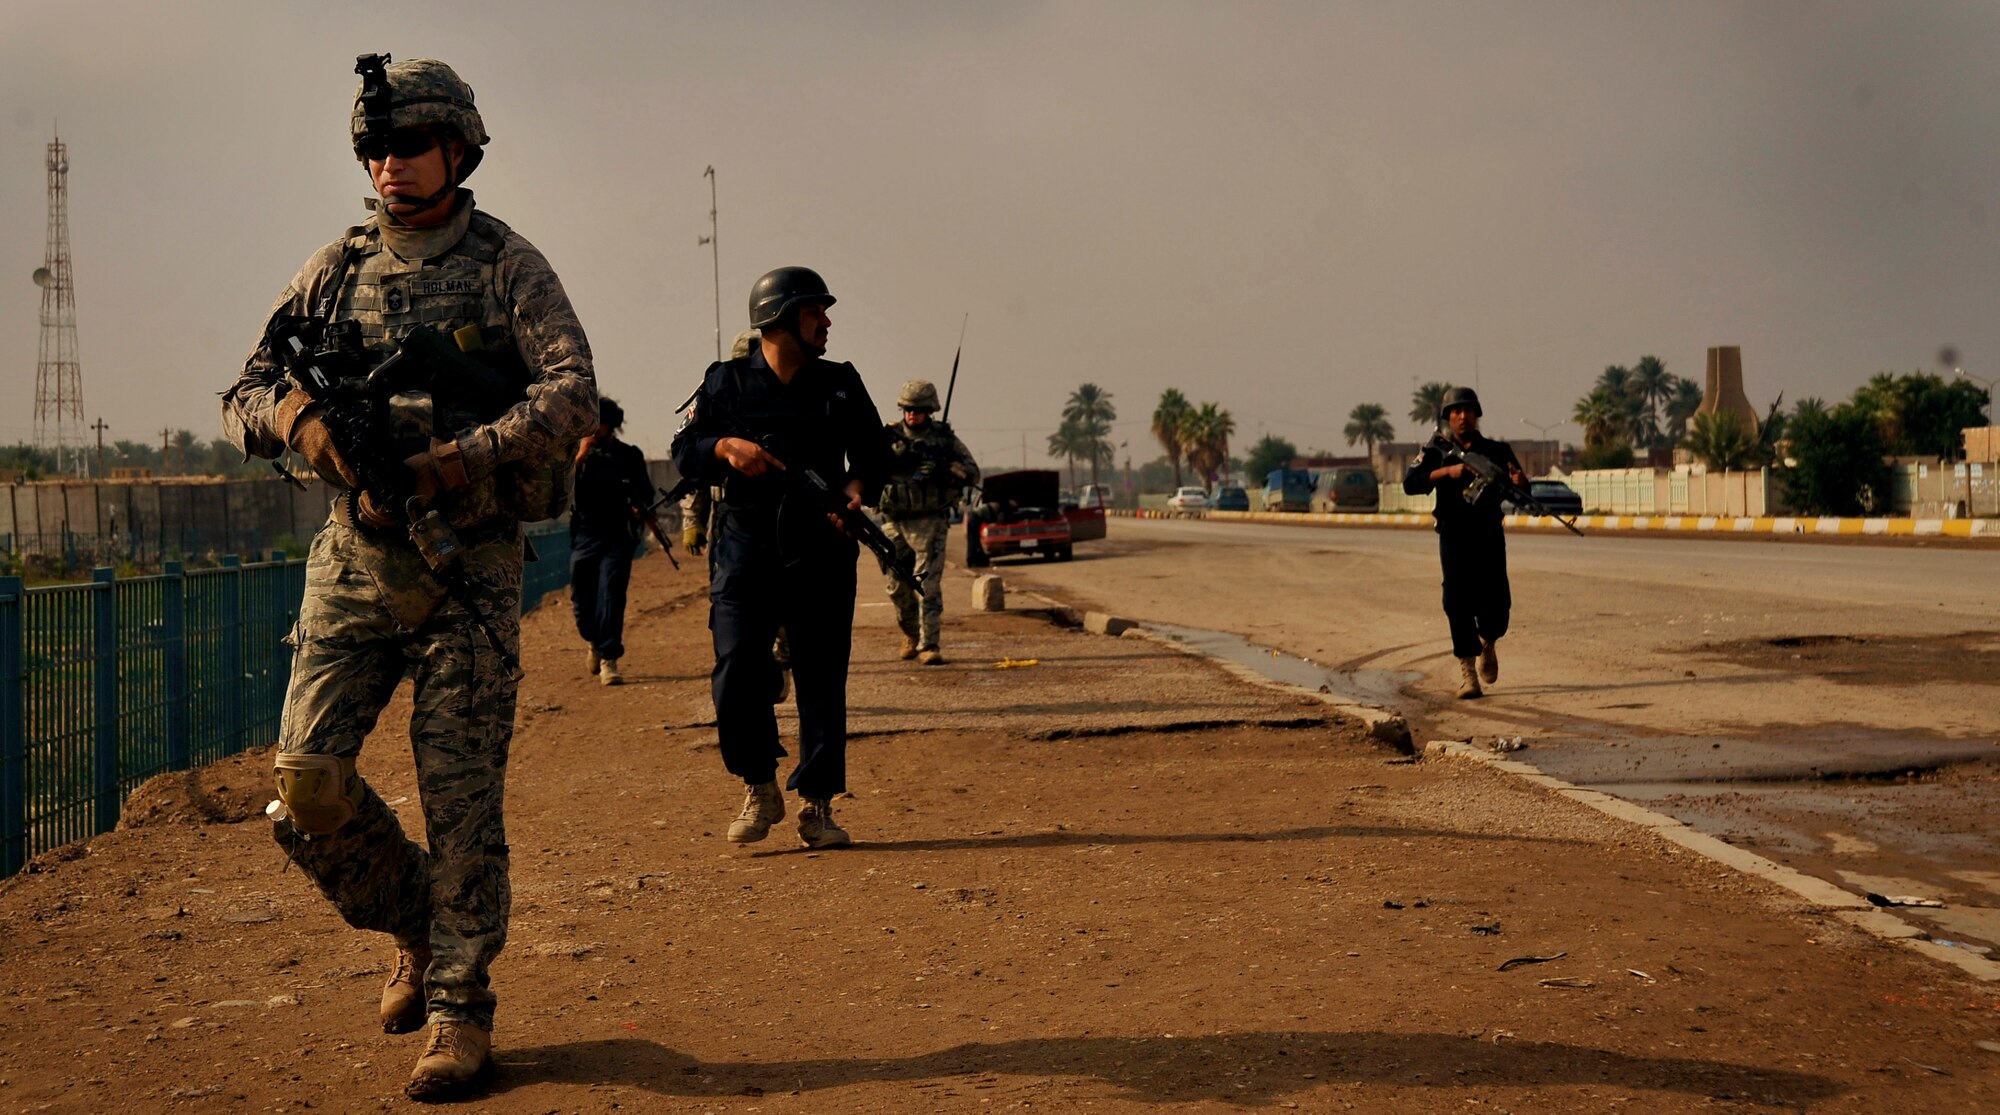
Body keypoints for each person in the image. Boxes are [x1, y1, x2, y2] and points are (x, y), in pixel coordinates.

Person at [220, 54, 595, 1101]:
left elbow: (574, 394)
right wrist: (304, 427)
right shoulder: (333, 268)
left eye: (410, 145)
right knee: (303, 787)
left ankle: (459, 1008)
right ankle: (415, 923)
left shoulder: (505, 265)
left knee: (461, 801)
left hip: (466, 564)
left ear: (458, 150)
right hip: (354, 561)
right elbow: (247, 385)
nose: (390, 165)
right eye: (376, 149)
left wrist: (460, 459)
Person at [669, 266, 893, 849]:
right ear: (780, 318)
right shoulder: (725, 384)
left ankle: (817, 806)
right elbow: (683, 450)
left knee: (822, 676)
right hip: (744, 546)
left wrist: (855, 491)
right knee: (737, 669)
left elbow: (875, 454)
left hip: (822, 546)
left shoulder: (840, 383)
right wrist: (724, 446)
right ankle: (759, 783)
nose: (826, 322)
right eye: (814, 311)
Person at [1402, 386, 1524, 700]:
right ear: (1447, 417)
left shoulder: (1498, 451)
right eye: (1456, 411)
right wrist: (1446, 472)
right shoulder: (1436, 451)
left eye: (1468, 410)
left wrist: (1521, 483)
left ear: (1476, 414)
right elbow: (1411, 483)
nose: (1462, 416)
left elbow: (1521, 493)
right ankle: (1468, 672)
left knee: (1496, 603)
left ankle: (1488, 642)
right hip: (1454, 534)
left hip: (1488, 535)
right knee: (1456, 602)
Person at [877, 379, 979, 664]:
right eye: (908, 409)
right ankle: (911, 633)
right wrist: (892, 459)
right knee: (896, 587)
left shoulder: (944, 441)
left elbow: (972, 473)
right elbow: (868, 468)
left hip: (930, 522)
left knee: (928, 586)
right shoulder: (888, 437)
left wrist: (945, 468)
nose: (912, 415)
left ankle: (929, 644)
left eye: (919, 410)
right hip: (893, 521)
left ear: (930, 410)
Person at [570, 397, 655, 686]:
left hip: (618, 536)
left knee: (612, 594)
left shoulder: (629, 456)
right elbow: (557, 492)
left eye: (600, 423)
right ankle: (593, 640)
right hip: (585, 534)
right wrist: (580, 455)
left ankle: (609, 658)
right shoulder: (576, 458)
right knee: (582, 601)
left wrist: (639, 507)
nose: (595, 429)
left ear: (610, 425)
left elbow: (646, 494)